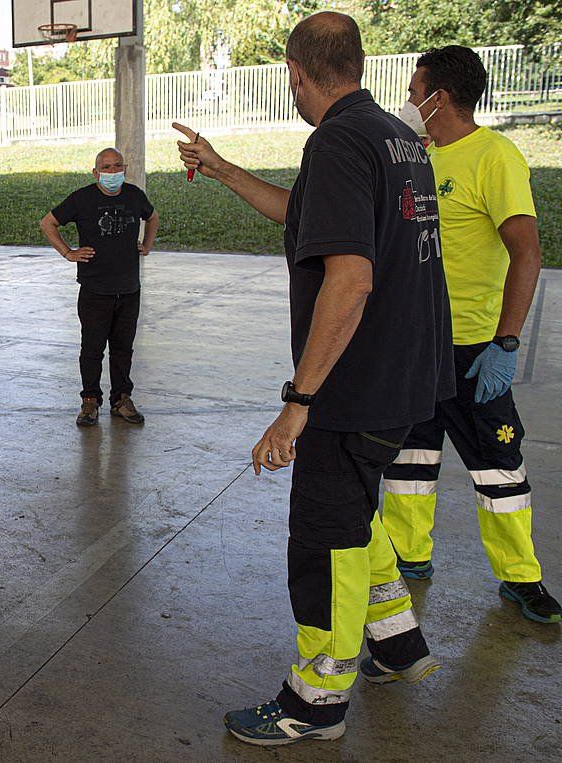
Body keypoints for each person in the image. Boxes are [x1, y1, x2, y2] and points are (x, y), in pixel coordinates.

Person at [175, 11, 453, 746]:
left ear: (295, 74)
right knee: (357, 515)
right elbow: (306, 219)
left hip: (355, 388)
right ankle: (394, 645)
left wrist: (298, 403)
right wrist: (224, 167)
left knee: (325, 538)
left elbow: (351, 278)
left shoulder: (336, 141)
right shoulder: (396, 137)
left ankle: (316, 701)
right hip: (407, 378)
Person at [380, 46, 559, 623]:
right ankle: (409, 558)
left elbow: (527, 252)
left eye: (416, 90)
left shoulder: (495, 157)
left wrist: (506, 343)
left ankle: (520, 577)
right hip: (414, 344)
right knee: (409, 461)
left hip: (475, 349)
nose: (409, 100)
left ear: (442, 96)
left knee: (498, 465)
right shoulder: (416, 155)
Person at [40, 147, 159, 427]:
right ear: (96, 173)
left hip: (129, 289)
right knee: (92, 350)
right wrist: (68, 252)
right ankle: (90, 401)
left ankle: (122, 399)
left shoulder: (134, 196)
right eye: (106, 167)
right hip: (95, 290)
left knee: (123, 349)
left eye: (117, 166)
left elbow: (152, 217)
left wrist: (147, 245)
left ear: (124, 169)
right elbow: (48, 223)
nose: (112, 172)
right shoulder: (82, 199)